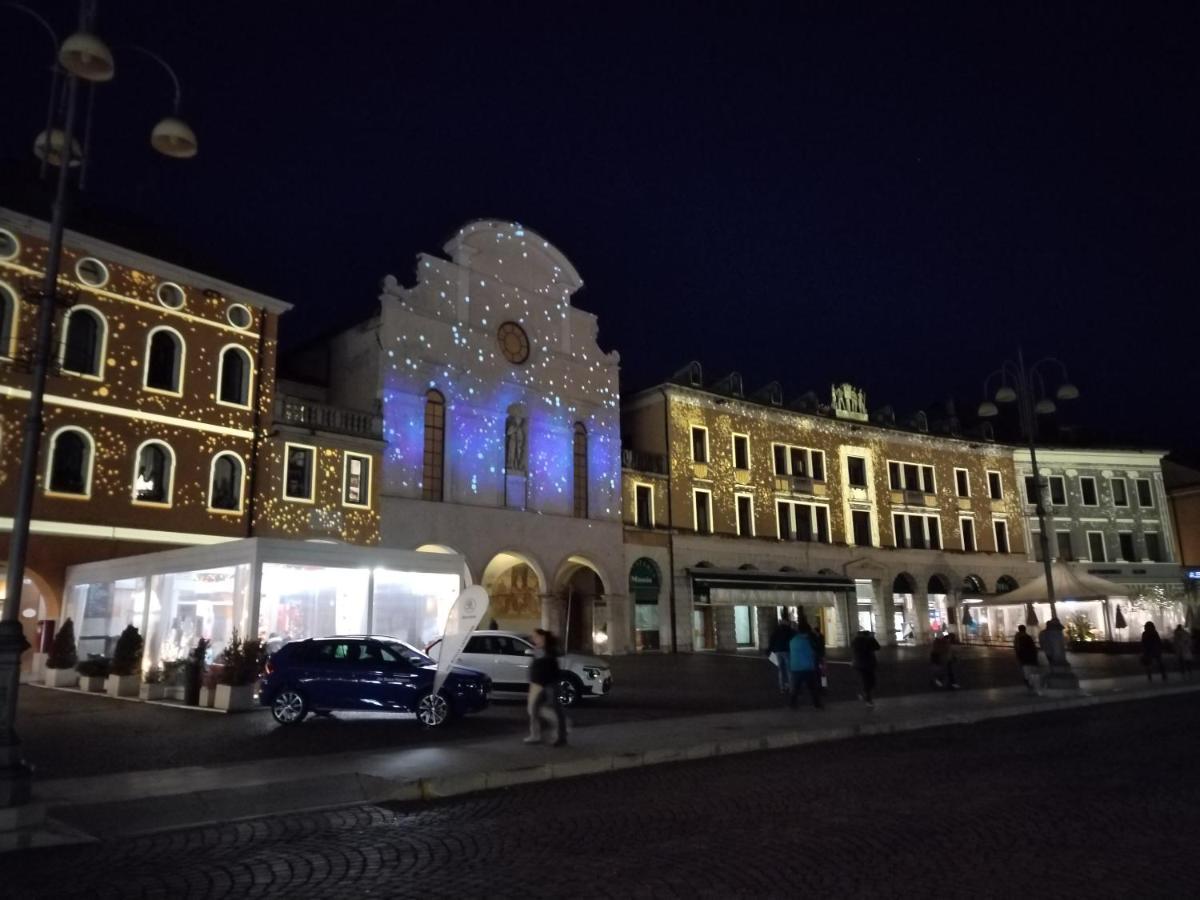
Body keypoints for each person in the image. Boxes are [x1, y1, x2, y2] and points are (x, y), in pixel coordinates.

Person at [525, 629, 568, 746]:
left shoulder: (550, 649)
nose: (533, 638)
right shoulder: (537, 649)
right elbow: (536, 666)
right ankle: (535, 735)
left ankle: (561, 736)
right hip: (538, 684)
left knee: (556, 708)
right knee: (534, 709)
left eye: (535, 636)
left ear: (542, 637)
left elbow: (556, 657)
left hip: (550, 683)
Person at [788, 622, 823, 709]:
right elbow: (815, 651)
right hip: (808, 667)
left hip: (795, 667)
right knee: (812, 688)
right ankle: (817, 704)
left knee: (795, 688)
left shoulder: (793, 640)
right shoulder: (808, 641)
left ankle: (792, 704)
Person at [766, 612, 795, 693]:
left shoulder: (777, 630)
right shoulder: (790, 630)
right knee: (788, 669)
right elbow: (793, 638)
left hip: (778, 651)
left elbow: (772, 640)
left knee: (780, 670)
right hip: (787, 650)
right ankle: (791, 687)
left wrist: (769, 650)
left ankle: (782, 687)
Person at [851, 628, 881, 706]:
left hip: (859, 664)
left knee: (866, 681)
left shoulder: (856, 641)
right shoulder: (869, 640)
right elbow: (877, 647)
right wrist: (872, 638)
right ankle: (868, 699)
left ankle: (863, 695)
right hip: (867, 664)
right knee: (869, 682)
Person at [1013, 625, 1042, 695]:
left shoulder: (1018, 638)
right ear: (1025, 630)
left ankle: (1031, 688)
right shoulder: (1028, 637)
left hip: (1025, 660)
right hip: (1031, 659)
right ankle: (1035, 688)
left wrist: (1019, 658)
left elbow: (1017, 649)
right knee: (1033, 673)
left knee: (1027, 674)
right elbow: (1034, 649)